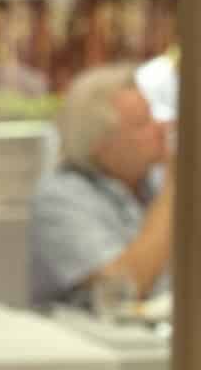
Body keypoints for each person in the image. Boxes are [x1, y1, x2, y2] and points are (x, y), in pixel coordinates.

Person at [29, 64, 173, 308]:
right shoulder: (61, 197)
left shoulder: (155, 183)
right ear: (100, 142)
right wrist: (176, 190)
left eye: (154, 116)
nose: (162, 129)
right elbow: (125, 288)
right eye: (143, 123)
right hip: (90, 342)